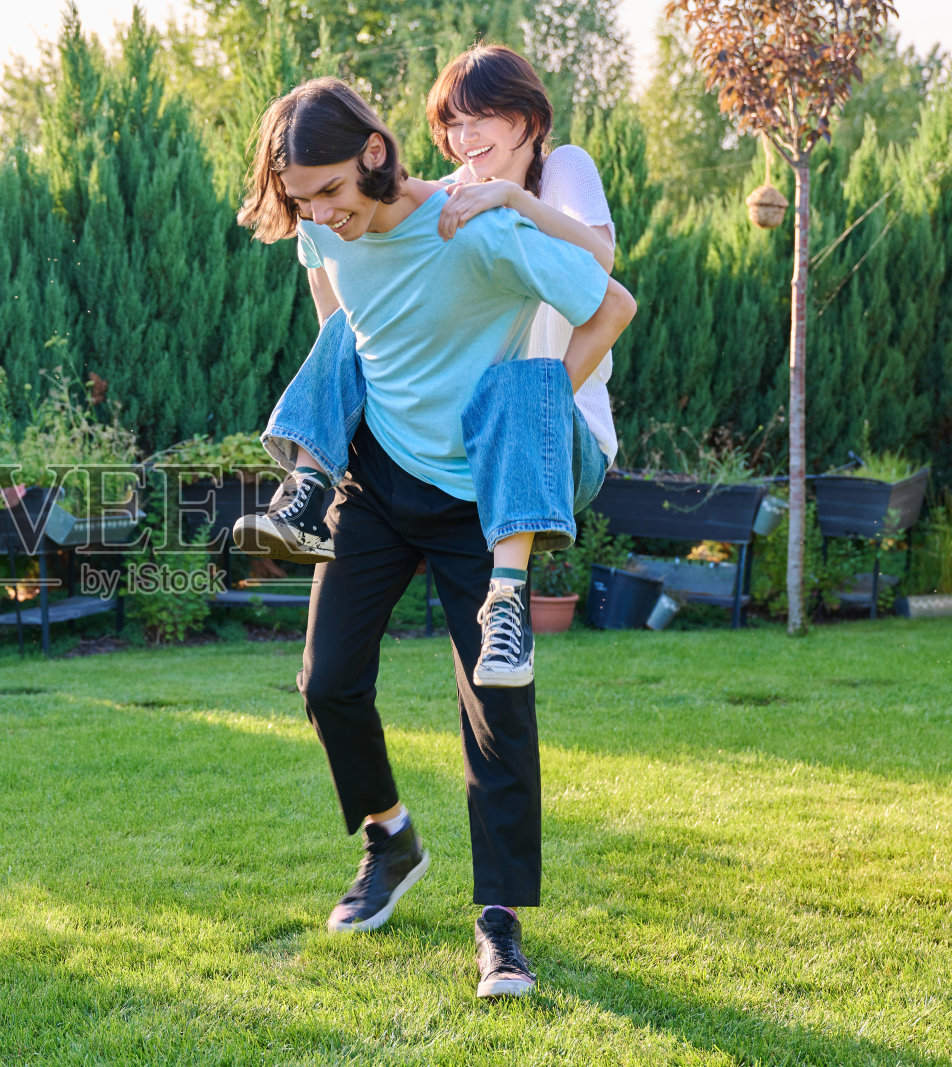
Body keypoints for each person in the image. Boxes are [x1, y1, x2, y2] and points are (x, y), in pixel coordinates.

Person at [234, 74, 636, 997]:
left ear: (375, 154)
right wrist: (344, 428)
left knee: (496, 705)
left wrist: (533, 404)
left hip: (475, 500)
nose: (322, 214)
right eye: (303, 199)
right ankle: (390, 835)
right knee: (327, 680)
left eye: (332, 190)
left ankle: (499, 922)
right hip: (377, 481)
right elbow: (345, 327)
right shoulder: (317, 228)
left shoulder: (476, 227)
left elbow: (611, 306)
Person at [235, 44, 620, 691]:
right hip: (480, 446)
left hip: (560, 437)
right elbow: (352, 289)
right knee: (348, 336)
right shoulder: (452, 204)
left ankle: (507, 599)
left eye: (481, 119)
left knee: (520, 385)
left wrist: (513, 201)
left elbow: (603, 263)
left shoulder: (561, 171)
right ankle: (306, 486)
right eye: (452, 125)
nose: (464, 138)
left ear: (525, 119)